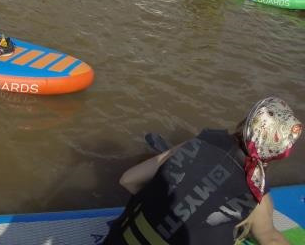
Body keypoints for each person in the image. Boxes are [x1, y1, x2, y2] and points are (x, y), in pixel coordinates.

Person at [103, 96, 302, 245]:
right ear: (279, 153)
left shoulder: (201, 141)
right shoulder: (257, 194)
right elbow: (270, 239)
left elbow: (128, 180)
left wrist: (166, 203)